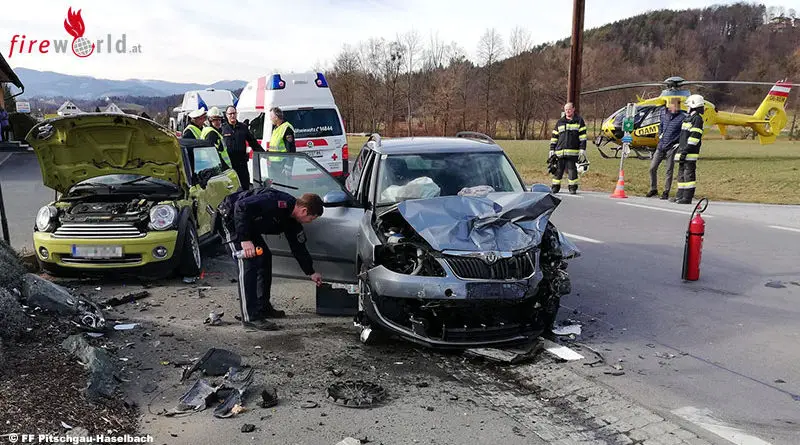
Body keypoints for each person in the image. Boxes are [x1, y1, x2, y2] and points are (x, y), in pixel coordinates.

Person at [218, 189, 324, 331]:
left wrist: (311, 272)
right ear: (304, 211)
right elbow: (241, 207)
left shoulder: (292, 220)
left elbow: (298, 247)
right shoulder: (276, 201)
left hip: (248, 225)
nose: (309, 222)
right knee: (247, 264)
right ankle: (250, 317)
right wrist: (245, 240)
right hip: (231, 220)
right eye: (311, 219)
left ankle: (262, 307)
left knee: (264, 257)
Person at [647, 98, 686, 200]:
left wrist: (678, 143)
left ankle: (666, 191)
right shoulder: (664, 113)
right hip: (661, 146)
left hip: (671, 147)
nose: (675, 108)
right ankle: (653, 188)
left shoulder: (682, 117)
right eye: (673, 106)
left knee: (669, 170)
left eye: (677, 106)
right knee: (652, 168)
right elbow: (661, 125)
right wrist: (660, 134)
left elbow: (684, 132)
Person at [222, 105, 264, 189]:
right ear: (226, 115)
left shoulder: (243, 127)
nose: (232, 116)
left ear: (237, 114)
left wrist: (263, 154)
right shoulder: (223, 129)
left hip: (242, 163)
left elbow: (253, 142)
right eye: (230, 114)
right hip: (229, 165)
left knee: (245, 186)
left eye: (234, 113)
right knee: (231, 188)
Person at [549, 102, 588, 194]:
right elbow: (554, 136)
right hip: (560, 152)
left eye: (569, 109)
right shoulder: (560, 122)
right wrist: (551, 149)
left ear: (573, 109)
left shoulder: (579, 121)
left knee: (572, 171)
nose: (567, 111)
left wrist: (582, 148)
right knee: (558, 171)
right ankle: (555, 187)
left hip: (572, 152)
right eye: (566, 110)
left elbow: (583, 137)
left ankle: (572, 188)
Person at [674, 94, 705, 204]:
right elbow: (683, 136)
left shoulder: (697, 119)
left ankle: (687, 198)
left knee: (688, 175)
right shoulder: (689, 118)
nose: (687, 108)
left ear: (693, 105)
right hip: (683, 151)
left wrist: (685, 150)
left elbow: (694, 138)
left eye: (688, 106)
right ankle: (680, 195)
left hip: (690, 153)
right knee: (681, 174)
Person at [267, 107, 296, 180]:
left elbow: (291, 149)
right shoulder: (276, 128)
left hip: (282, 164)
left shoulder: (286, 128)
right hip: (274, 164)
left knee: (283, 187)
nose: (270, 118)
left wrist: (288, 166)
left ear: (276, 117)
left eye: (271, 116)